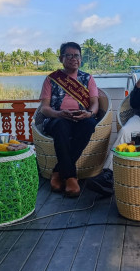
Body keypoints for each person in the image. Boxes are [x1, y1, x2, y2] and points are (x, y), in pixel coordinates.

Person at [34, 42, 99, 197]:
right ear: (61, 58)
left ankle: (57, 171)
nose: (73, 59)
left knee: (90, 124)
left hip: (81, 118)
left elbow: (95, 103)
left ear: (81, 58)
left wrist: (89, 114)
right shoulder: (51, 79)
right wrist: (58, 113)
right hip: (57, 119)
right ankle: (70, 177)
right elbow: (44, 108)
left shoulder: (87, 78)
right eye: (68, 55)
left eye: (76, 55)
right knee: (61, 126)